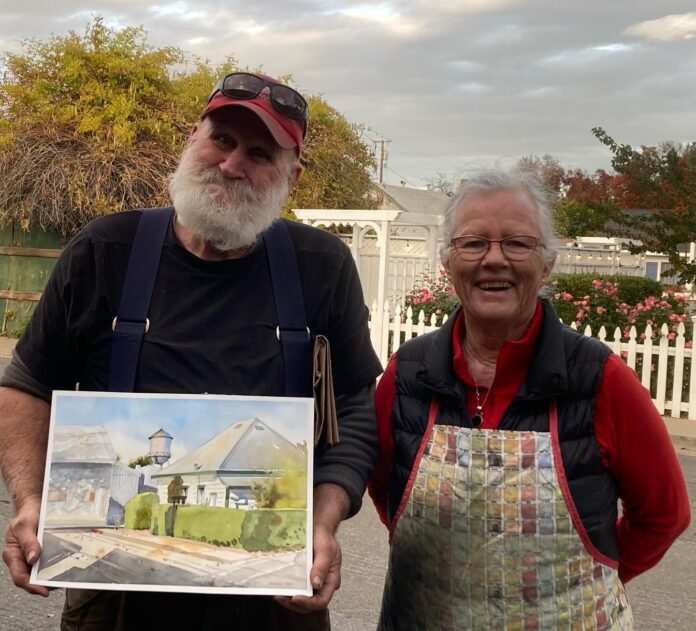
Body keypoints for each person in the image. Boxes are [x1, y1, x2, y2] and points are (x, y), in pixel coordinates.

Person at [0, 71, 382, 630]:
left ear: (291, 176)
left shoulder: (319, 265)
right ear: (192, 137)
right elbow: (27, 383)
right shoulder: (106, 250)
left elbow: (352, 402)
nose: (232, 164)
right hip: (117, 607)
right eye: (221, 139)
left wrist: (322, 521)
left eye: (259, 152)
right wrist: (31, 500)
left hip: (276, 603)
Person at [368, 170, 691, 630]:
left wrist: (593, 575)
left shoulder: (600, 379)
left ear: (547, 263)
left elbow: (665, 513)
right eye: (474, 243)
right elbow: (383, 487)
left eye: (517, 243)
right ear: (447, 262)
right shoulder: (407, 373)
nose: (494, 259)